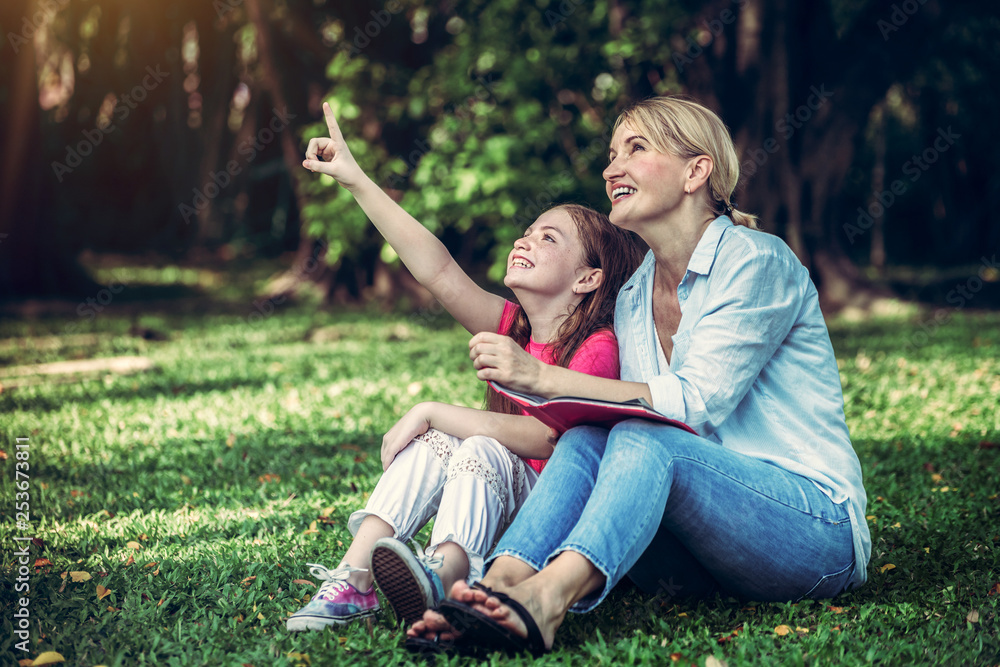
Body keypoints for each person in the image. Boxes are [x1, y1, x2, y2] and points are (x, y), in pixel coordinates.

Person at [412, 96, 871, 654]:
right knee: (588, 436)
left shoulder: (756, 261)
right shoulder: (632, 296)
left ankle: (547, 598)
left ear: (696, 172)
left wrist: (544, 378)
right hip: (700, 555)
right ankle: (494, 587)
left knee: (648, 433)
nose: (611, 169)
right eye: (610, 154)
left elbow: (693, 403)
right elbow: (613, 416)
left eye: (636, 148)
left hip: (811, 536)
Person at [285, 103, 645, 632]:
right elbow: (437, 269)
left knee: (474, 442)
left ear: (588, 279)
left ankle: (449, 578)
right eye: (528, 232)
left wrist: (433, 409)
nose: (526, 240)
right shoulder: (513, 326)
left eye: (549, 238)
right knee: (436, 443)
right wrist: (356, 179)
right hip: (498, 504)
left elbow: (551, 440)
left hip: (544, 528)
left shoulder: (595, 347)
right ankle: (353, 578)